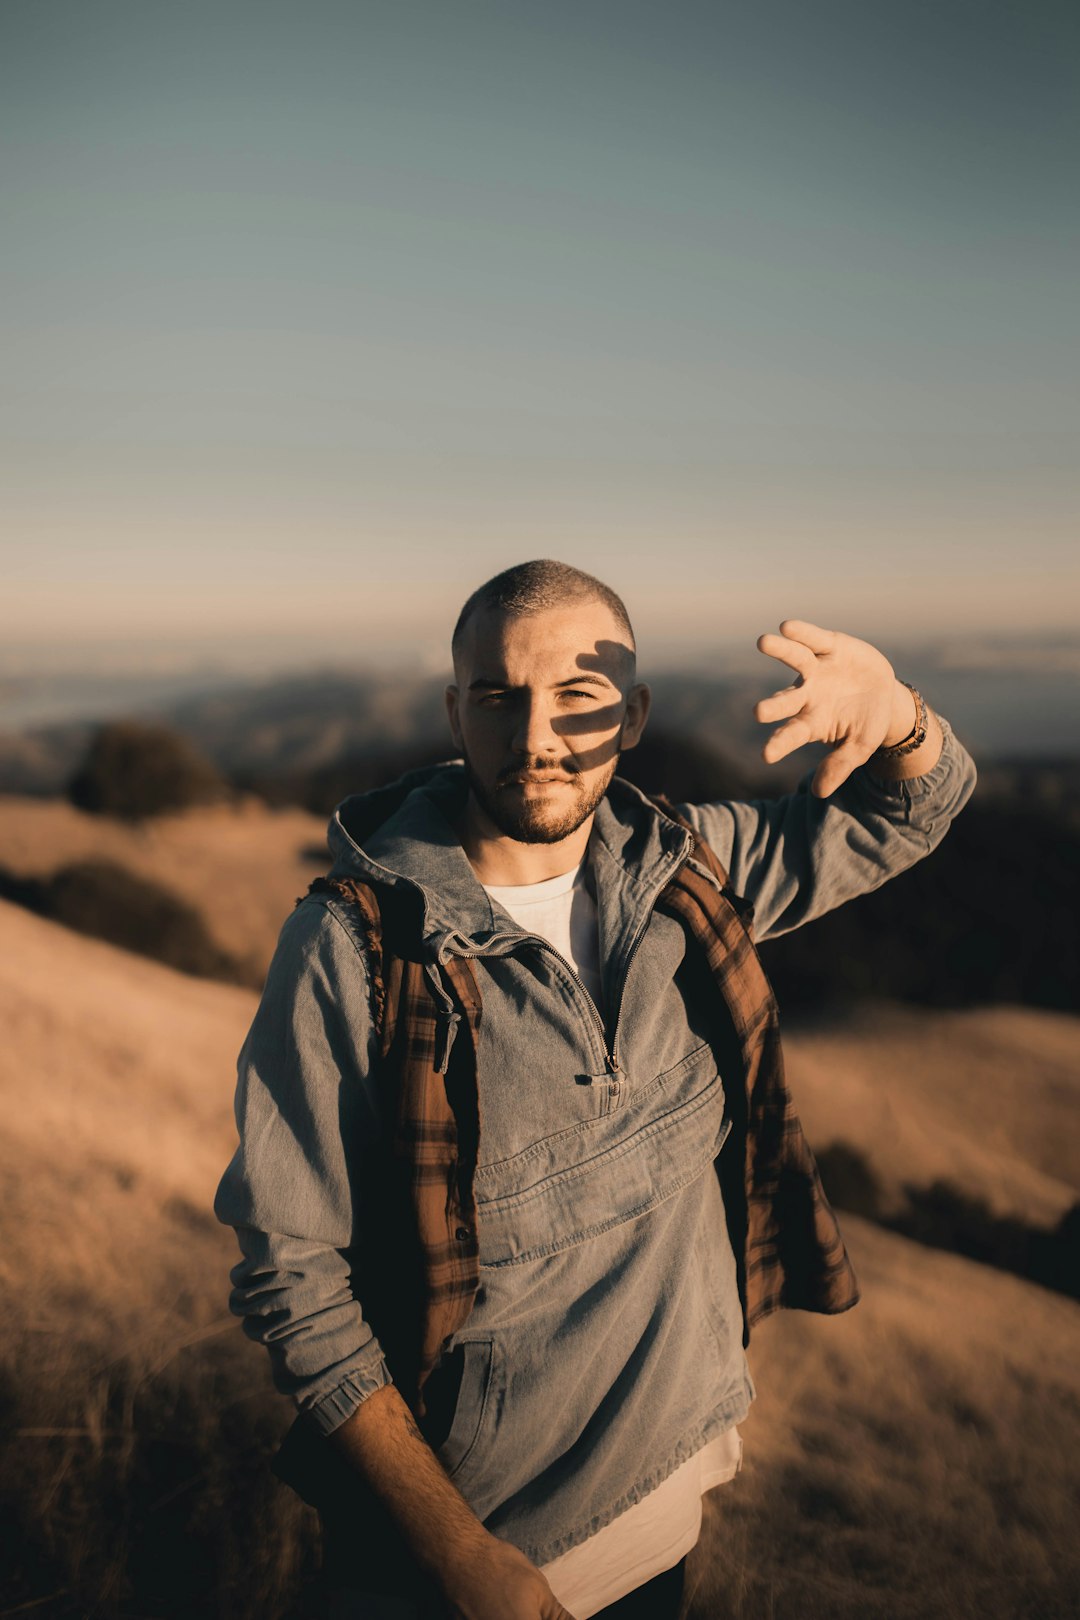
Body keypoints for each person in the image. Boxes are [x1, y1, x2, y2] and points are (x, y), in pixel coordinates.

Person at [214, 560, 976, 1619]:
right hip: (480, 1566)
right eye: (498, 696)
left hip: (670, 1511)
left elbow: (910, 812)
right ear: (455, 712)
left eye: (579, 696)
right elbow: (295, 1283)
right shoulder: (354, 949)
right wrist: (456, 1557)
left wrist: (899, 716)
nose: (535, 736)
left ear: (635, 712)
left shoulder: (687, 871)